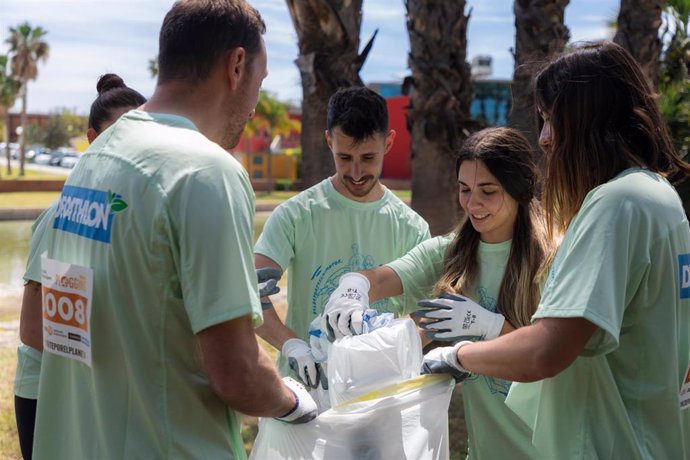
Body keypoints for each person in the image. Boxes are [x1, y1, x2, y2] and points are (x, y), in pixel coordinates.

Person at [31, 2, 316, 459]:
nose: (254, 104)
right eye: (259, 83)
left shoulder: (96, 157)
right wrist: (293, 402)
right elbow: (237, 372)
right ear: (236, 65)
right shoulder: (205, 171)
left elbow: (64, 325)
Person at [423, 41, 690, 458]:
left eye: (551, 120)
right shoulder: (660, 197)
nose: (544, 140)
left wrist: (459, 354)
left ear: (589, 118)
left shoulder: (615, 203)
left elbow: (549, 349)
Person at [322, 127, 553, 459]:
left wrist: (489, 326)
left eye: (488, 191)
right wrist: (353, 288)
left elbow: (550, 356)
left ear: (520, 189)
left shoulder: (551, 260)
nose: (473, 204)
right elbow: (383, 279)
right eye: (464, 189)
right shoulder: (451, 252)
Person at [254, 86, 430, 389]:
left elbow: (424, 315)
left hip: (378, 392)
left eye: (368, 157)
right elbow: (250, 291)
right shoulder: (297, 214)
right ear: (328, 141)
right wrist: (291, 345)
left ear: (389, 143)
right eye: (345, 157)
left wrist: (387, 353)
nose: (357, 171)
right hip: (306, 391)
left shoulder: (411, 228)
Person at [13, 73, 146, 460]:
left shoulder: (134, 213)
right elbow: (32, 329)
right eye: (117, 134)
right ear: (91, 138)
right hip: (48, 392)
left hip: (102, 392)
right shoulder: (62, 214)